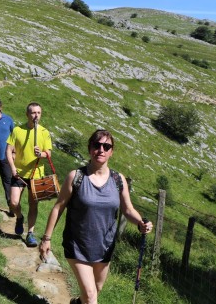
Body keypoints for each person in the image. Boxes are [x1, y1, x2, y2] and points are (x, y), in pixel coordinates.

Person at [39, 130, 153, 304]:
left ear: (111, 151)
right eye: (96, 145)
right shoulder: (76, 177)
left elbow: (128, 209)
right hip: (77, 245)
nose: (101, 149)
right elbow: (58, 207)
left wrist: (140, 223)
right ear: (90, 148)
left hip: (104, 246)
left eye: (106, 146)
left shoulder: (118, 179)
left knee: (95, 290)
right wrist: (46, 238)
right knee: (92, 296)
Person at [6, 102, 52, 247]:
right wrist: (12, 167)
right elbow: (8, 150)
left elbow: (49, 153)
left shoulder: (44, 132)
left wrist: (42, 154)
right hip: (18, 173)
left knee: (33, 204)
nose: (36, 115)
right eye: (33, 113)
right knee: (13, 202)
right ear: (27, 114)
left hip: (36, 174)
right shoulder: (17, 130)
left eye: (38, 113)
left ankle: (30, 233)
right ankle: (19, 217)